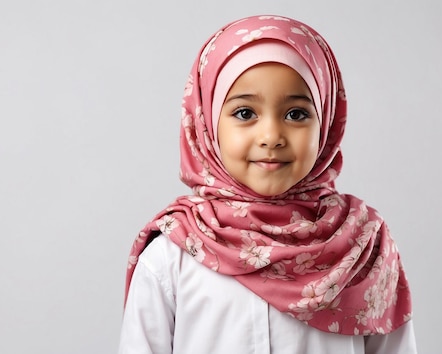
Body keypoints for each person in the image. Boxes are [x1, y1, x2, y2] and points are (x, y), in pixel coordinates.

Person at [118, 14, 417, 354]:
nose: (272, 137)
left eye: (296, 114)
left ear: (328, 121)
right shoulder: (173, 257)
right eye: (245, 113)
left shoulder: (364, 247)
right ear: (207, 122)